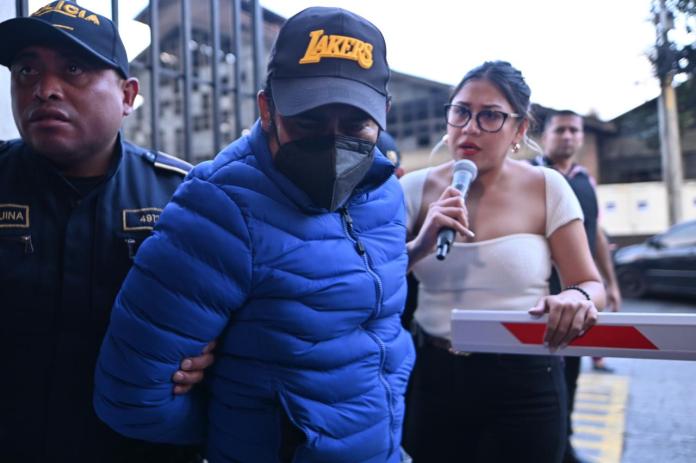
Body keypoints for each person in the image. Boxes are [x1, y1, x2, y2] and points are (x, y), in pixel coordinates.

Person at [93, 7, 414, 463]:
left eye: (356, 124)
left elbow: (378, 340)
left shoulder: (384, 194)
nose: (334, 141)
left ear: (382, 115)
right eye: (309, 121)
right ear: (267, 109)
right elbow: (130, 397)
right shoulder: (218, 206)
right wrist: (246, 428)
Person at [0, 2, 212, 461]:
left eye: (73, 68)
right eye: (26, 70)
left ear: (127, 95)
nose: (43, 90)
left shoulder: (186, 198)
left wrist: (215, 352)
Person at [400, 61, 606, 463]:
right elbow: (373, 281)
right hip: (433, 374)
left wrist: (576, 299)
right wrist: (420, 246)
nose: (471, 127)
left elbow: (588, 282)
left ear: (520, 129)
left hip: (527, 380)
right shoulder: (412, 189)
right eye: (461, 111)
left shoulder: (547, 187)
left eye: (491, 116)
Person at [536, 110, 622, 463]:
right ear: (545, 136)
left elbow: (596, 234)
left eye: (575, 130)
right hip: (542, 295)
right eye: (561, 130)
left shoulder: (586, 181)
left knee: (572, 371)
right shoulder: (533, 176)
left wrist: (609, 282)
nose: (568, 137)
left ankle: (564, 445)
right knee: (545, 375)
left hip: (581, 292)